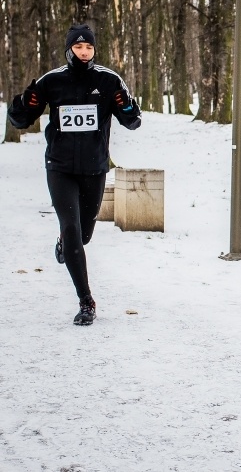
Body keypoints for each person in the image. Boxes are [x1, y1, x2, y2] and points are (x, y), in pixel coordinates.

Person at [8, 24, 142, 326]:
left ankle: (65, 243)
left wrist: (128, 106)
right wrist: (21, 105)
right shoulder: (52, 81)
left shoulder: (108, 80)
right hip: (60, 167)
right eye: (79, 47)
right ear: (69, 49)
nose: (84, 52)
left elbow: (132, 121)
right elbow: (22, 119)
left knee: (83, 235)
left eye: (89, 48)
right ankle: (86, 301)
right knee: (71, 229)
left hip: (94, 168)